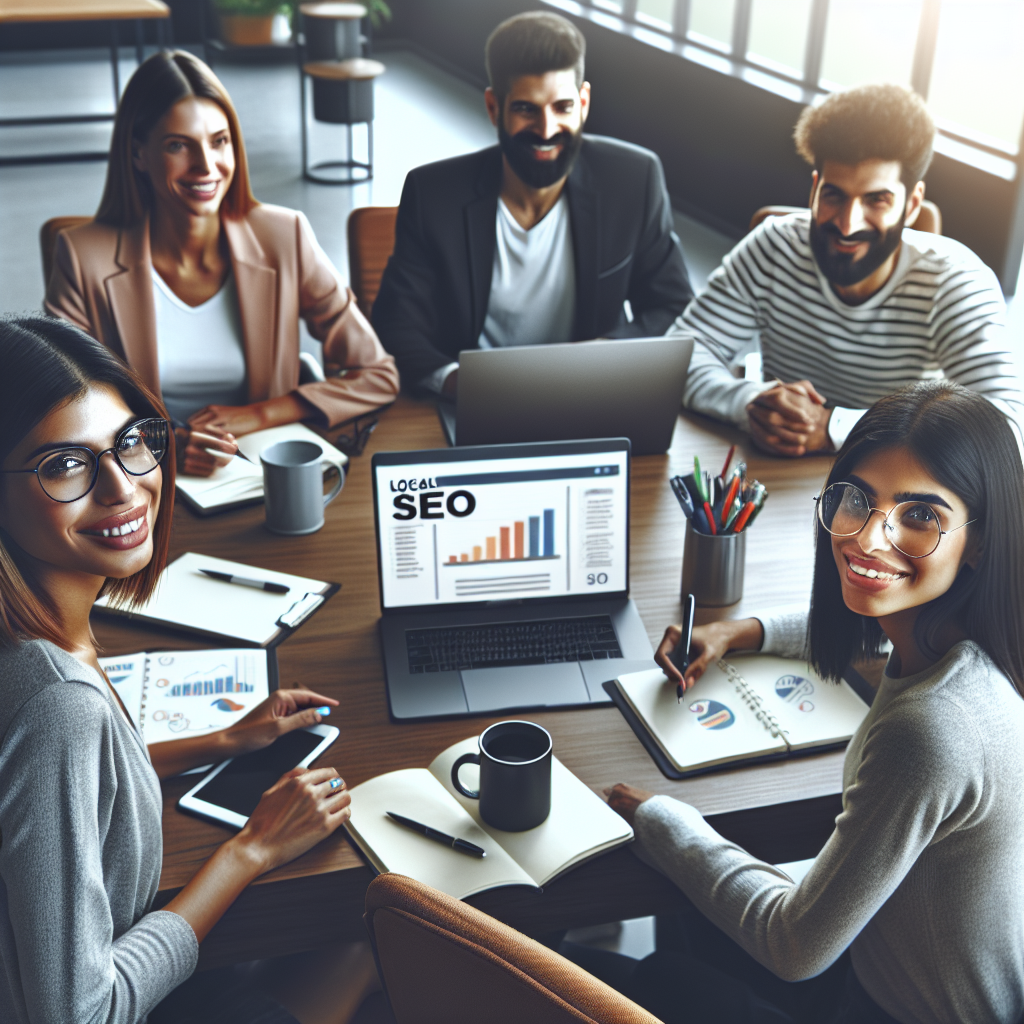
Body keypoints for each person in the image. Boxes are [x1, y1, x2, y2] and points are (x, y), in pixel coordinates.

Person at [578, 381, 1024, 1023]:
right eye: (857, 501)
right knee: (686, 920)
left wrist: (662, 819)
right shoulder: (980, 637)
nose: (870, 540)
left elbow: (794, 946)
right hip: (883, 957)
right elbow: (865, 630)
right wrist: (740, 631)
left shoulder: (931, 731)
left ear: (979, 539)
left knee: (630, 977)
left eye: (920, 515)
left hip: (885, 1007)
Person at [0, 315, 376, 1024]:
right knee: (370, 946)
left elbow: (53, 794)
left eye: (131, 442)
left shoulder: (35, 642)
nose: (123, 489)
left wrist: (220, 743)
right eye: (64, 465)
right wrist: (251, 850)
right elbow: (81, 1012)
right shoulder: (57, 704)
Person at [45, 50, 399, 478]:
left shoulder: (285, 236)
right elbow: (64, 408)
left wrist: (259, 415)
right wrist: (167, 442)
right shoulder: (83, 256)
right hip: (141, 478)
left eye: (219, 141)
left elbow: (377, 374)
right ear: (138, 154)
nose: (206, 167)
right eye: (178, 145)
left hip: (259, 474)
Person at [676, 83, 1023, 457]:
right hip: (777, 471)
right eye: (834, 195)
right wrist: (752, 402)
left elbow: (1005, 426)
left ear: (912, 205)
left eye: (877, 200)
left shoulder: (956, 281)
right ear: (813, 190)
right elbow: (681, 356)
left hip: (896, 487)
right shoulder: (774, 246)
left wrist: (834, 426)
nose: (846, 224)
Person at [371, 10, 693, 395]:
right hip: (472, 403)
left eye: (562, 107)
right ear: (494, 108)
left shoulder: (634, 180)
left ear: (584, 102)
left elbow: (672, 307)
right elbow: (396, 328)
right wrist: (463, 384)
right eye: (526, 108)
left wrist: (601, 359)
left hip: (589, 397)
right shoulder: (432, 194)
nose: (546, 129)